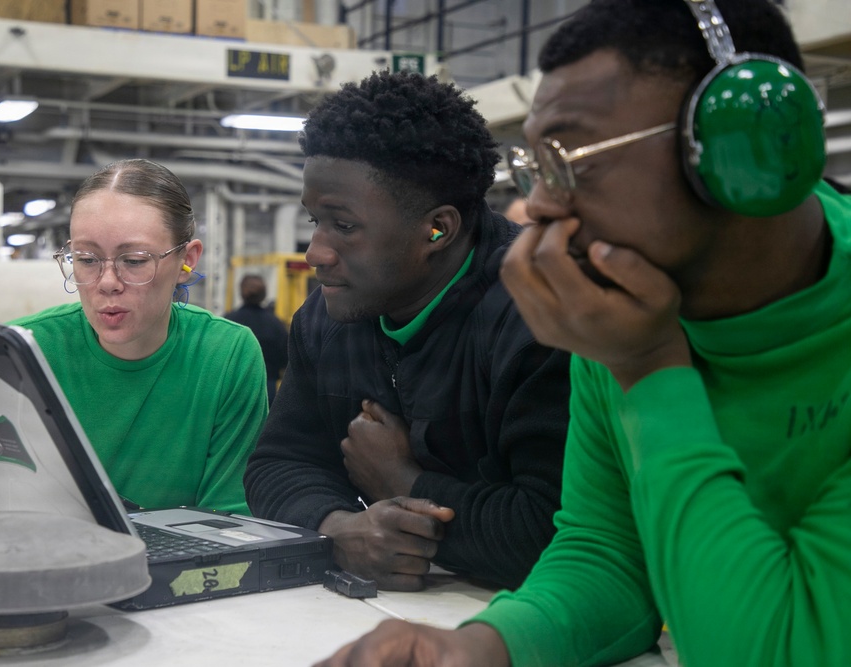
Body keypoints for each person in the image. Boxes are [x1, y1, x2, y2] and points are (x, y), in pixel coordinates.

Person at [315, 0, 851, 665]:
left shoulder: (632, 339)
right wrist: (481, 647)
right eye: (537, 167)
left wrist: (649, 371)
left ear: (750, 145)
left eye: (572, 158)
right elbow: (607, 555)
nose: (536, 206)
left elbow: (775, 652)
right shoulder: (629, 313)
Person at [244, 70, 571, 592]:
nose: (316, 254)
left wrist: (401, 479)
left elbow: (556, 532)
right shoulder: (325, 318)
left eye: (344, 226)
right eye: (314, 222)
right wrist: (340, 529)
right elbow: (278, 463)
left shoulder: (545, 313)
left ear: (437, 230)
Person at [0, 159, 268, 524]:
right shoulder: (9, 356)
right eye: (86, 259)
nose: (106, 282)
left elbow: (227, 529)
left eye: (134, 261)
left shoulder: (225, 357)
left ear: (186, 259)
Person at [224, 274, 288, 404]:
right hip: (266, 387)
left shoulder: (228, 322)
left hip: (234, 387)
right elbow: (286, 358)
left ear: (241, 293)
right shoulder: (275, 324)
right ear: (264, 294)